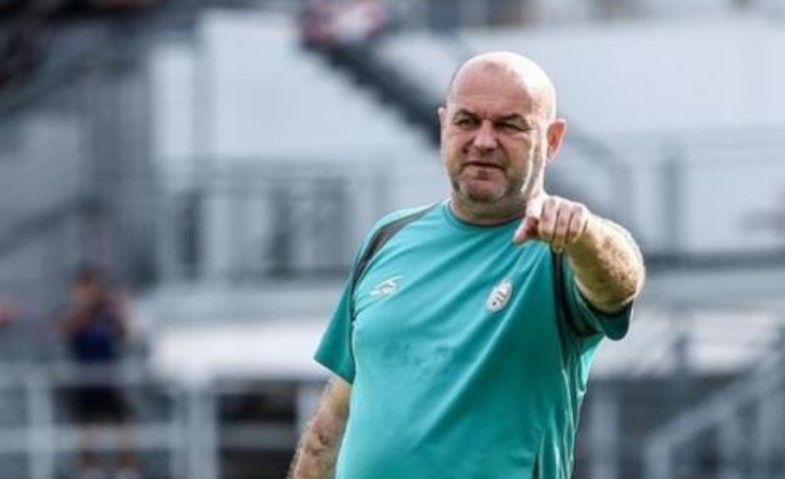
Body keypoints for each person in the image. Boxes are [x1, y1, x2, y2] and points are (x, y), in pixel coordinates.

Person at [288, 51, 646, 479]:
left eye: (509, 125)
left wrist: (585, 234)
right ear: (444, 126)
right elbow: (332, 422)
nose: (484, 141)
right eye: (467, 121)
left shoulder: (561, 251)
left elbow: (620, 284)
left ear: (552, 140)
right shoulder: (388, 237)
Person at [61, 267, 140, 479]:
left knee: (122, 425)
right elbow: (69, 328)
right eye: (88, 287)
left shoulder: (108, 313)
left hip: (109, 378)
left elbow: (125, 335)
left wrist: (120, 309)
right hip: (84, 381)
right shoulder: (74, 312)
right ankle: (89, 470)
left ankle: (127, 469)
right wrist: (90, 307)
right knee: (86, 429)